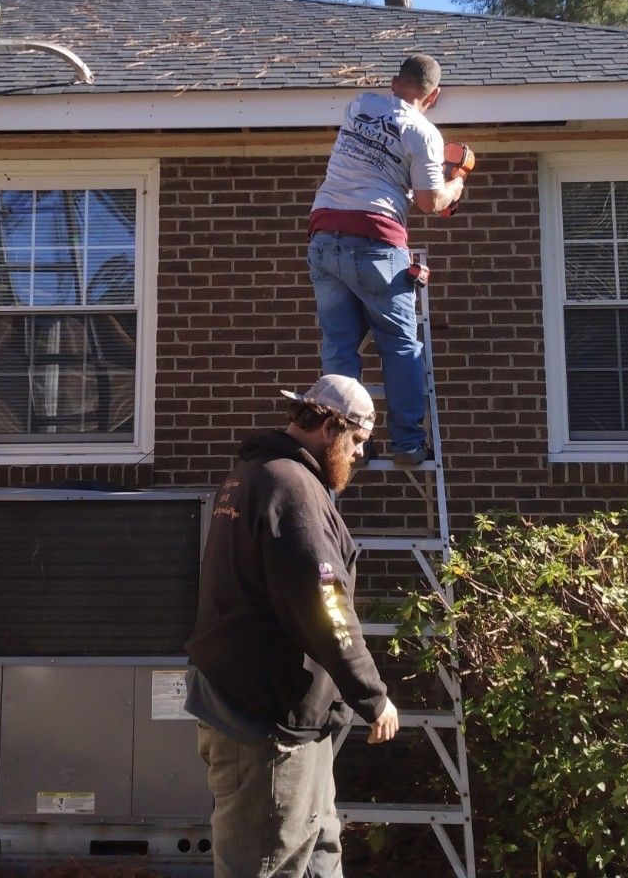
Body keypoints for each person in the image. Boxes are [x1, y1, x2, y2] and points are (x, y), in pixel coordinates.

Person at [184, 375, 401, 878]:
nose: (361, 455)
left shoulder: (254, 474)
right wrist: (372, 695)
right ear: (330, 427)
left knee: (318, 856)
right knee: (268, 863)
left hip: (274, 714)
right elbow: (324, 606)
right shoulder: (292, 487)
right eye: (358, 441)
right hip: (265, 724)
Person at [308, 54, 465, 467]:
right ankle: (408, 445)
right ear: (434, 95)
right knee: (400, 347)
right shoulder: (424, 132)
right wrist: (457, 181)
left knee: (339, 348)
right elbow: (432, 204)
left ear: (394, 83)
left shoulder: (359, 105)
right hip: (376, 242)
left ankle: (342, 444)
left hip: (323, 236)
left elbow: (378, 162)